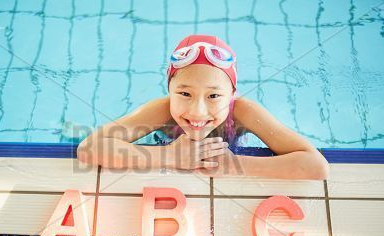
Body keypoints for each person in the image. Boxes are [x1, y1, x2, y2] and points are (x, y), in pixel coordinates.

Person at [77, 34, 329, 180]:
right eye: (184, 93)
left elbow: (316, 166)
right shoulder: (161, 111)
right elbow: (89, 149)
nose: (197, 111)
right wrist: (169, 157)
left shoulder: (243, 113)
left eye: (214, 96)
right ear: (169, 89)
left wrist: (234, 165)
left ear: (231, 94)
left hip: (229, 152)